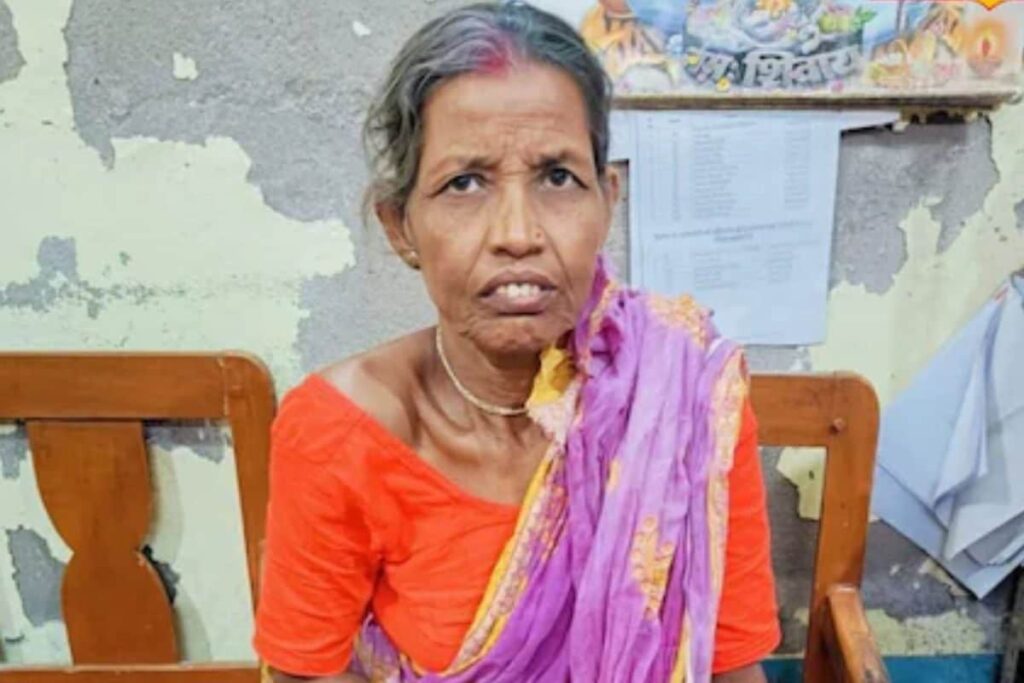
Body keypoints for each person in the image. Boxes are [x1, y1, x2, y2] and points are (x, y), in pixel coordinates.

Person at [253, 3, 780, 681]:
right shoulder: (342, 432)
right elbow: (302, 674)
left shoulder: (681, 404)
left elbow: (730, 666)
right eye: (464, 183)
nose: (518, 232)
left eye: (558, 176)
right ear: (400, 226)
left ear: (606, 199)